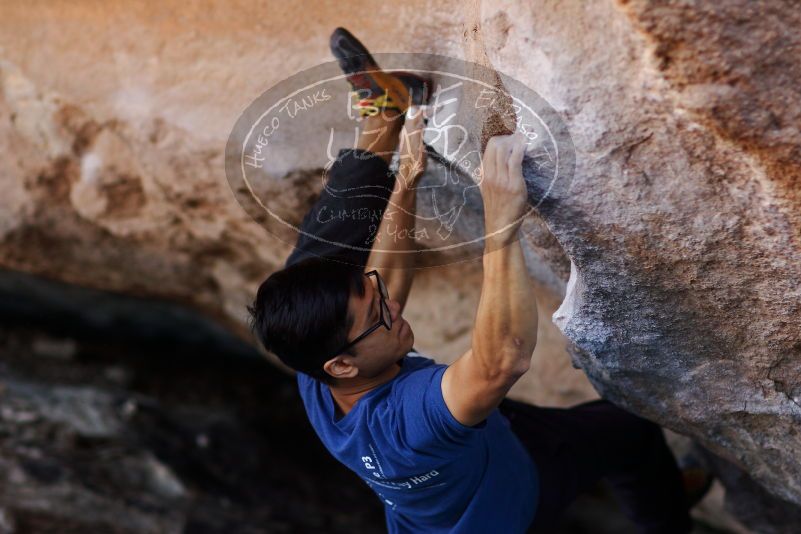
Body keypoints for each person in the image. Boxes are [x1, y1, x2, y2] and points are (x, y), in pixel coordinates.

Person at [248, 27, 707, 533]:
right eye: (377, 316)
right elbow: (501, 359)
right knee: (629, 433)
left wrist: (405, 184)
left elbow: (386, 284)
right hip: (513, 499)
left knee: (305, 275)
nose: (393, 306)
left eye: (376, 298)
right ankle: (668, 518)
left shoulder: (321, 375)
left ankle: (386, 117)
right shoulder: (410, 423)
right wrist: (500, 218)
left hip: (479, 445)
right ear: (343, 365)